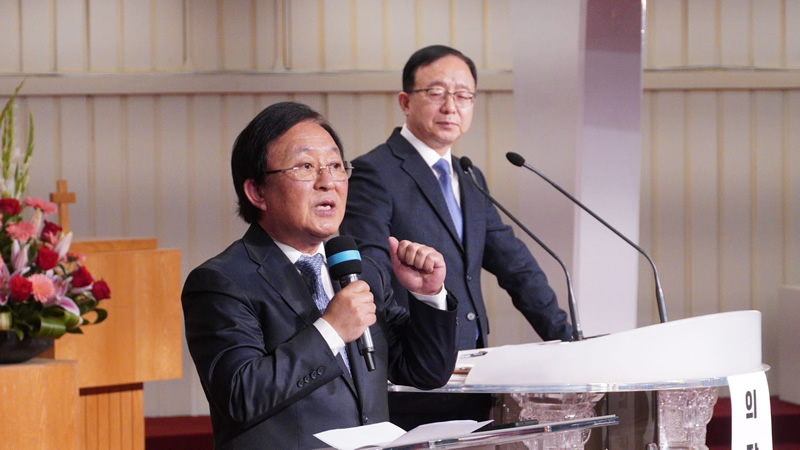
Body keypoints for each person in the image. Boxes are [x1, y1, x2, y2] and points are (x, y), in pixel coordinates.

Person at [182, 101, 459, 449]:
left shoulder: (360, 271)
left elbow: (425, 372)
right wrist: (331, 330)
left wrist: (429, 296)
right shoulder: (221, 282)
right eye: (305, 167)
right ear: (257, 191)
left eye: (336, 166)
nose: (327, 182)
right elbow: (240, 396)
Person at [340, 45, 574, 429]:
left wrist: (569, 342)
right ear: (405, 102)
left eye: (464, 95)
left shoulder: (468, 176)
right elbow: (370, 275)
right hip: (411, 378)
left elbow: (516, 268)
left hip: (472, 377)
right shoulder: (374, 173)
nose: (451, 106)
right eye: (437, 92)